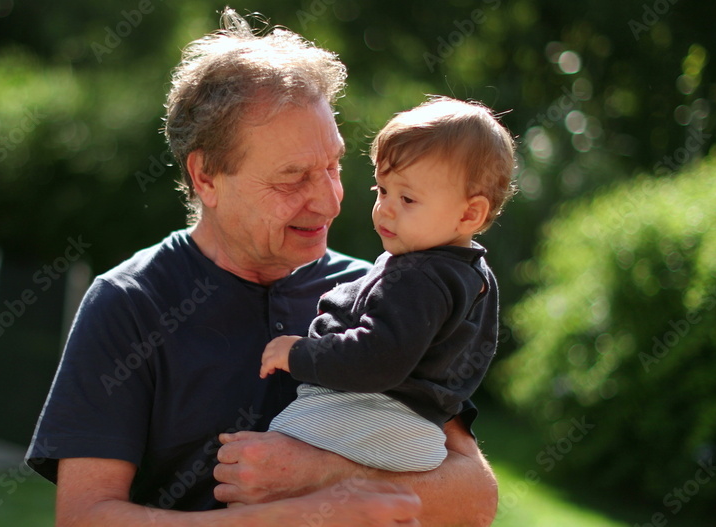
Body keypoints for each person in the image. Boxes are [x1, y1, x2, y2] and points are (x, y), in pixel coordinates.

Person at [26, 9, 498, 526]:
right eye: (293, 178)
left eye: (335, 166)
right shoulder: (128, 304)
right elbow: (84, 518)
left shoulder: (379, 287)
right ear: (206, 176)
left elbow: (475, 499)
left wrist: (322, 476)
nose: (330, 201)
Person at [260, 96, 517, 474]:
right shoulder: (474, 275)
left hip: (366, 416)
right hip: (417, 433)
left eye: (408, 198)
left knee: (260, 476)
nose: (386, 208)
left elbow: (377, 358)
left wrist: (298, 353)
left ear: (469, 213)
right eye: (382, 190)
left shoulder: (419, 276)